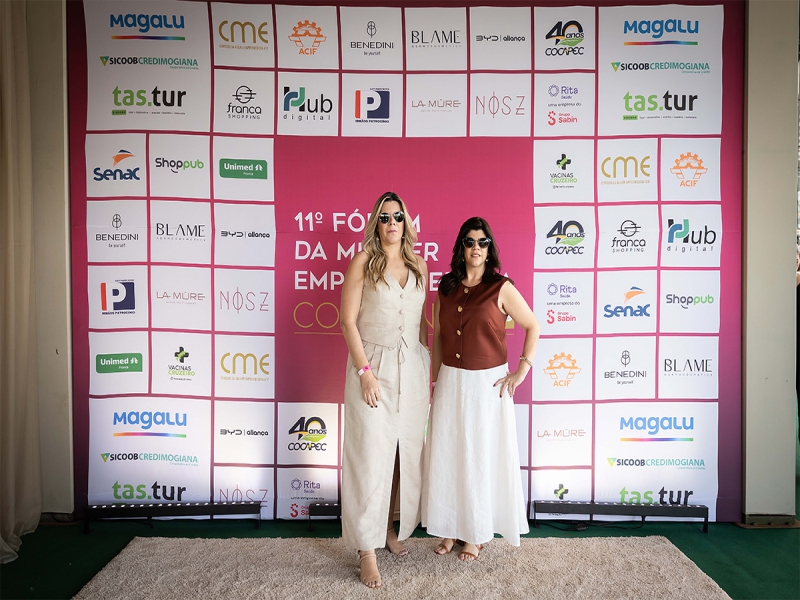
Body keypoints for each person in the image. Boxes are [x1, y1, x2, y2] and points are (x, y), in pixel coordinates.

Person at [422, 216, 540, 561]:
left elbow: (532, 326)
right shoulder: (445, 288)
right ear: (461, 247)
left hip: (486, 387)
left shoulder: (501, 287)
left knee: (478, 457)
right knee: (448, 455)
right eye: (470, 241)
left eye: (482, 242)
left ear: (490, 249)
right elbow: (438, 338)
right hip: (450, 382)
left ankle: (475, 534)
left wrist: (521, 370)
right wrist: (435, 381)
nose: (476, 247)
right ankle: (448, 528)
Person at [340, 192, 431, 588]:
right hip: (372, 367)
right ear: (376, 224)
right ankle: (366, 549)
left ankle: (388, 528)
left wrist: (427, 366)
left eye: (397, 216)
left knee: (400, 454)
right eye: (384, 217)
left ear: (406, 222)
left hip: (412, 369)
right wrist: (365, 372)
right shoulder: (363, 261)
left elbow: (422, 323)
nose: (392, 223)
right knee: (369, 454)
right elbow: (347, 320)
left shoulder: (420, 265)